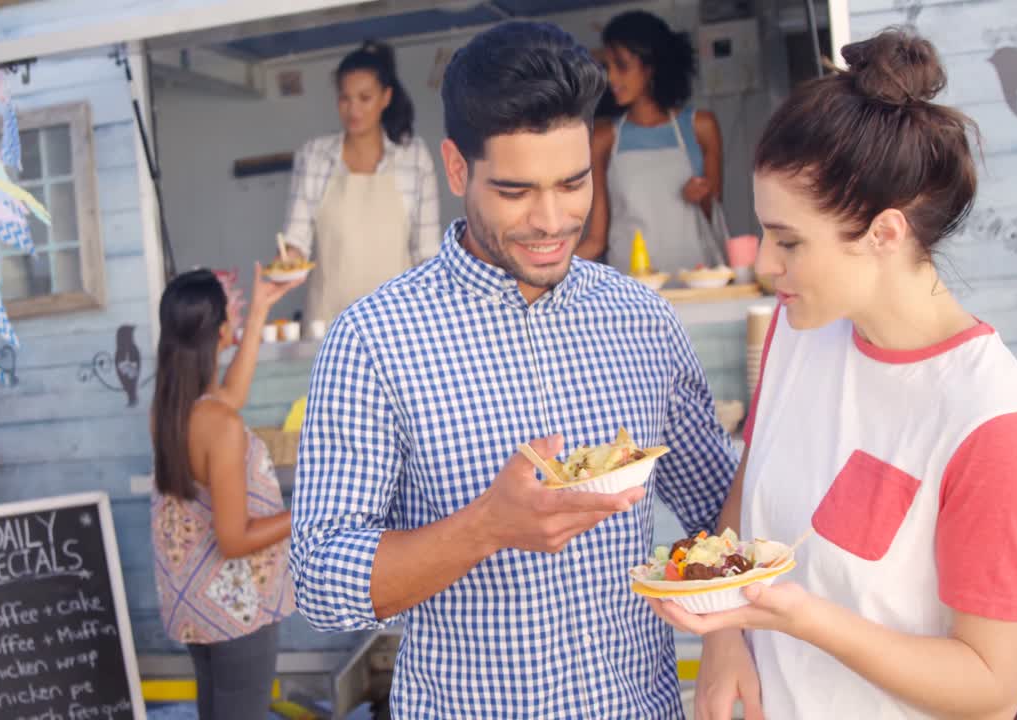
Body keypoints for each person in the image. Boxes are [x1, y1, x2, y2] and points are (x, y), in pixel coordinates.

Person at [289, 21, 737, 719]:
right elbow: (321, 581)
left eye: (573, 182)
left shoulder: (642, 320)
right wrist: (487, 527)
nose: (552, 220)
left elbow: (720, 508)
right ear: (458, 168)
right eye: (516, 190)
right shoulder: (374, 341)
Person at [647, 30, 1017, 720]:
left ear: (886, 234)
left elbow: (990, 689)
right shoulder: (800, 330)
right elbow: (751, 493)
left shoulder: (995, 427)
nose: (766, 266)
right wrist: (725, 636)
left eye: (789, 242)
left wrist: (799, 617)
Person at [149, 266, 304, 719]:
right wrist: (311, 507)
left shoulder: (169, 407)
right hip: (237, 609)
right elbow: (234, 540)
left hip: (196, 607)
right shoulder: (219, 424)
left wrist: (257, 311)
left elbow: (229, 397)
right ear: (220, 331)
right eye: (231, 312)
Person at [281, 40, 440, 329]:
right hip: (327, 323)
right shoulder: (314, 156)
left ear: (386, 97)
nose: (353, 109)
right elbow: (296, 239)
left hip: (397, 322)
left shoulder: (414, 157)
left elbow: (426, 254)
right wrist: (286, 264)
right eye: (345, 98)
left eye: (364, 98)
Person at [580, 11, 727, 275]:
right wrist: (534, 274)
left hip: (696, 285)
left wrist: (700, 196)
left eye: (621, 65)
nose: (611, 77)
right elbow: (596, 240)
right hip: (632, 293)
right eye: (607, 66)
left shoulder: (700, 126)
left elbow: (713, 217)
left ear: (651, 67)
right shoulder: (604, 139)